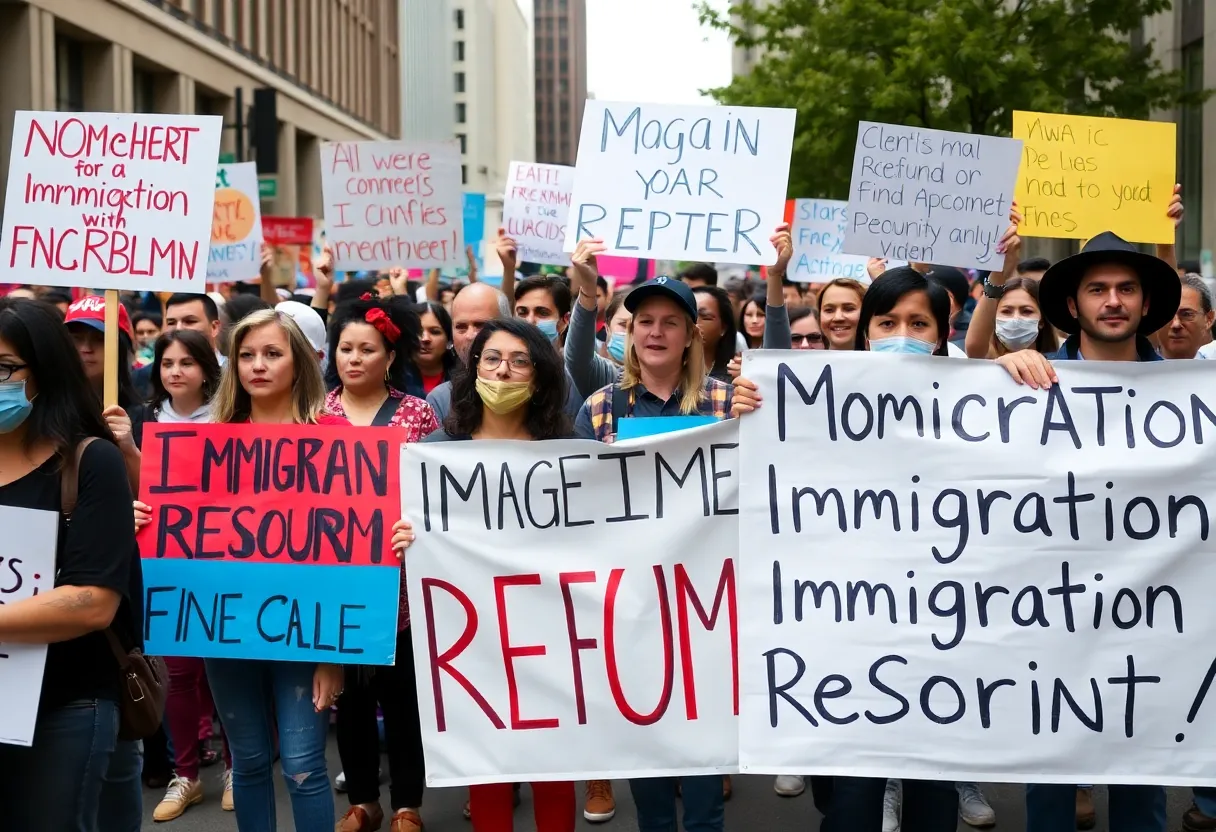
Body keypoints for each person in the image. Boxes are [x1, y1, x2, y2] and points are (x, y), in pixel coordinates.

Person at [733, 267, 966, 832]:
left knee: (933, 790)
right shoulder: (816, 398)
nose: (901, 333)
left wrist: (1014, 365)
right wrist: (750, 408)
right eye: (887, 322)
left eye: (918, 323)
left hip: (943, 625)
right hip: (848, 622)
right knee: (852, 798)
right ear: (867, 333)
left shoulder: (976, 397)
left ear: (941, 335)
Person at [990, 231, 1180, 832]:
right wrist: (995, 371)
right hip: (1049, 615)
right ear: (1073, 306)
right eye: (1097, 289)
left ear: (1146, 304)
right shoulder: (1026, 382)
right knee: (1050, 779)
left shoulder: (1188, 395)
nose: (1114, 301)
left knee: (1141, 781)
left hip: (1152, 617)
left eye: (1127, 289)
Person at [135, 309, 346, 831]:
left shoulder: (335, 435)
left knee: (302, 767)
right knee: (249, 764)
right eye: (247, 355)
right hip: (226, 630)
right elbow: (183, 528)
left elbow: (354, 547)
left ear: (299, 363)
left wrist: (337, 655)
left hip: (308, 631)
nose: (257, 365)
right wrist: (144, 516)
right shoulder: (209, 440)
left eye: (272, 354)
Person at [574, 275, 733, 832]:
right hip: (633, 607)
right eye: (645, 321)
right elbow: (567, 510)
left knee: (706, 761)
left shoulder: (728, 402)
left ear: (691, 335)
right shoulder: (600, 409)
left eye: (670, 322)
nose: (655, 332)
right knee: (648, 760)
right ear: (631, 330)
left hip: (709, 609)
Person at [422, 319, 578, 832]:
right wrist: (409, 540)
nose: (503, 371)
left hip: (553, 637)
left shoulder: (570, 453)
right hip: (474, 644)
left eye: (519, 360)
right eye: (491, 359)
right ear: (474, 367)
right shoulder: (435, 455)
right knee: (487, 769)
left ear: (539, 376)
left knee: (554, 768)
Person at [0, 297, 143, 831]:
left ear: (45, 372)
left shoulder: (90, 461)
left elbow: (93, 603)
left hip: (67, 703)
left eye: (5, 369)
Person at [325, 296, 437, 832]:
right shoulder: (316, 415)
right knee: (351, 699)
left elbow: (436, 492)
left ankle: (407, 805)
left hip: (404, 586)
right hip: (337, 584)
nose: (354, 358)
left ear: (389, 356)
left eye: (366, 349)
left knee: (403, 702)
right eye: (345, 348)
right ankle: (364, 801)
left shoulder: (417, 414)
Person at [143, 330, 231, 822]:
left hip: (226, 563)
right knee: (177, 675)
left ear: (206, 369)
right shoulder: (140, 421)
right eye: (167, 362)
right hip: (169, 566)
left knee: (226, 671)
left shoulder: (230, 420)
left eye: (187, 362)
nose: (175, 371)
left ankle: (239, 767)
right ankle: (187, 776)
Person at [64, 296, 146, 491]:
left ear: (121, 347)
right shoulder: (46, 404)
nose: (86, 348)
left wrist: (130, 450)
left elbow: (150, 493)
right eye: (76, 339)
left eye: (99, 340)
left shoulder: (140, 415)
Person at [1160, 275, 1213, 360]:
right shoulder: (1137, 367)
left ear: (1209, 319)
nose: (1176, 324)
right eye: (1167, 314)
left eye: (1186, 314)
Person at [513, 274, 572, 349]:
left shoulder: (576, 360)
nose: (530, 321)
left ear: (565, 320)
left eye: (543, 313)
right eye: (522, 312)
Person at [693, 286, 738, 380]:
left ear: (723, 328)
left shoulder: (735, 376)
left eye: (706, 317)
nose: (695, 323)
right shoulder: (663, 371)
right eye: (688, 315)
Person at [413, 300, 460, 394]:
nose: (425, 339)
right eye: (418, 331)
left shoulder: (464, 377)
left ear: (449, 339)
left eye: (435, 332)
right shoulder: (390, 377)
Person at [817, 278, 867, 350]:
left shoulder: (884, 359)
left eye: (849, 309)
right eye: (829, 310)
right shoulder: (806, 360)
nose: (838, 317)